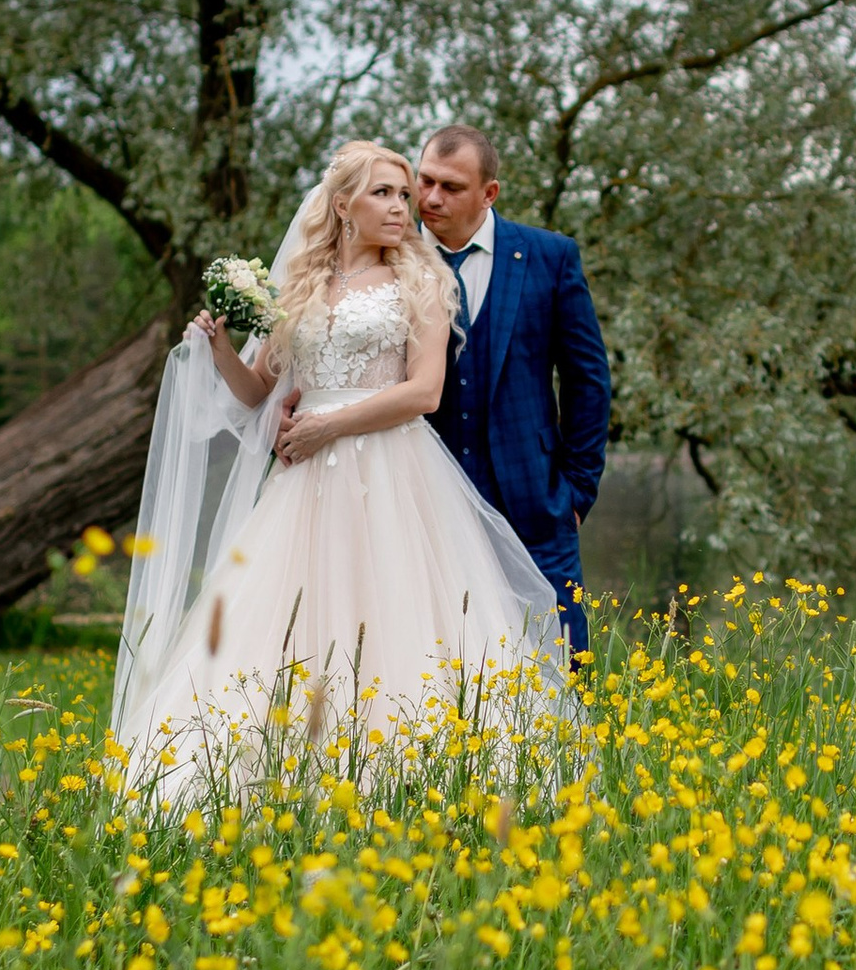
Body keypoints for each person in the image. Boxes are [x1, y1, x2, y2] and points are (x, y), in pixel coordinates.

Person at [110, 142, 570, 797]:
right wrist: (216, 349)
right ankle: (281, 768)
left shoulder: (421, 280)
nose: (402, 208)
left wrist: (329, 424)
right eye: (385, 193)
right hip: (304, 485)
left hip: (392, 470)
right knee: (291, 618)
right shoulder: (300, 285)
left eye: (404, 196)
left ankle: (405, 770)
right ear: (342, 205)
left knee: (395, 615)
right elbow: (255, 392)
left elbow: (425, 392)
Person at [413, 124, 612, 655]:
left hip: (535, 498)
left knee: (562, 662)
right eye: (425, 180)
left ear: (489, 193)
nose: (431, 197)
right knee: (436, 657)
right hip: (421, 496)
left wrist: (577, 491)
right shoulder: (392, 257)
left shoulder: (549, 256)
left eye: (451, 187)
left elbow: (588, 379)